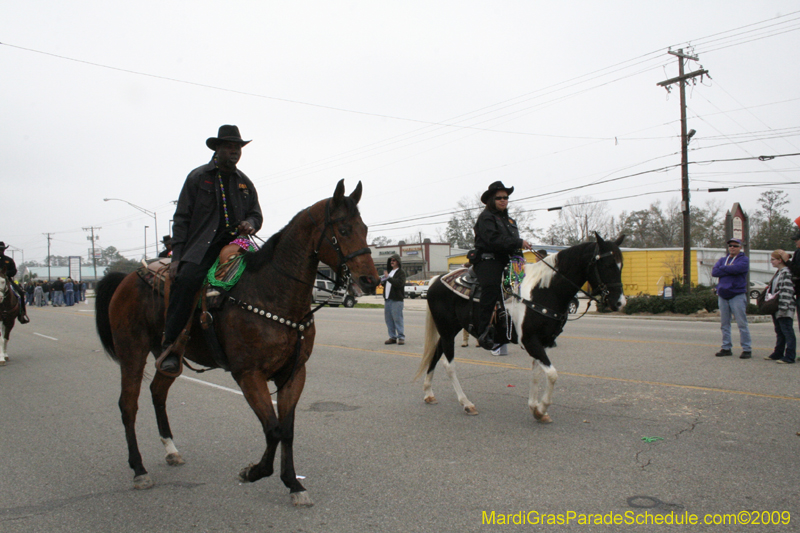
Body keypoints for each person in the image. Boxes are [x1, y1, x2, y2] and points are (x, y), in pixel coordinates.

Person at [157, 125, 263, 377]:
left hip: (236, 245)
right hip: (201, 247)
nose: (234, 152)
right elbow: (181, 218)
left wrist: (251, 223)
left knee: (261, 279)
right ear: (217, 149)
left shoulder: (244, 183)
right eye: (229, 147)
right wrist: (178, 257)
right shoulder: (197, 177)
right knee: (187, 281)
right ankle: (170, 348)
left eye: (237, 147)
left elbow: (256, 213)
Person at [472, 181, 532, 350]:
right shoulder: (486, 218)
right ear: (491, 199)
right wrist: (519, 242)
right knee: (491, 287)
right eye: (499, 198)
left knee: (523, 288)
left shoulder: (510, 220)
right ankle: (483, 331)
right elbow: (493, 240)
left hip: (508, 260)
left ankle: (518, 328)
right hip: (489, 259)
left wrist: (520, 260)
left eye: (506, 197)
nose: (503, 200)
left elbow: (512, 245)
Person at [711, 238, 752, 359]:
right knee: (724, 323)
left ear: (740, 247)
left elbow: (738, 269)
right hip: (723, 295)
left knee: (741, 323)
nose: (732, 248)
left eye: (735, 245)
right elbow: (714, 272)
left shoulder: (744, 260)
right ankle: (726, 347)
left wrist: (724, 269)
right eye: (730, 246)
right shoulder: (723, 260)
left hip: (737, 294)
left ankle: (746, 348)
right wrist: (728, 268)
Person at [765, 250, 796, 364]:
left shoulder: (786, 272)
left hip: (784, 307)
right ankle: (778, 353)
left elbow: (787, 291)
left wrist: (783, 308)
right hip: (776, 307)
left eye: (773, 259)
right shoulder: (778, 272)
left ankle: (790, 356)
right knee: (779, 331)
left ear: (780, 260)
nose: (771, 261)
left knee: (787, 331)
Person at [0, 242, 30, 323]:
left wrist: (6, 273)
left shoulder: (9, 260)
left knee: (20, 292)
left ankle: (22, 314)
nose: (1, 251)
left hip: (7, 280)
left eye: (2, 249)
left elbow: (14, 271)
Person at [381, 255, 406, 345]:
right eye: (391, 260)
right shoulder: (390, 272)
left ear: (398, 262)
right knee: (389, 320)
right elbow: (387, 283)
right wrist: (383, 280)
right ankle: (392, 337)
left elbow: (399, 284)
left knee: (397, 319)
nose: (392, 262)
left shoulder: (401, 272)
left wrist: (388, 277)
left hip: (396, 300)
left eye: (394, 260)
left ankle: (401, 337)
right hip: (387, 300)